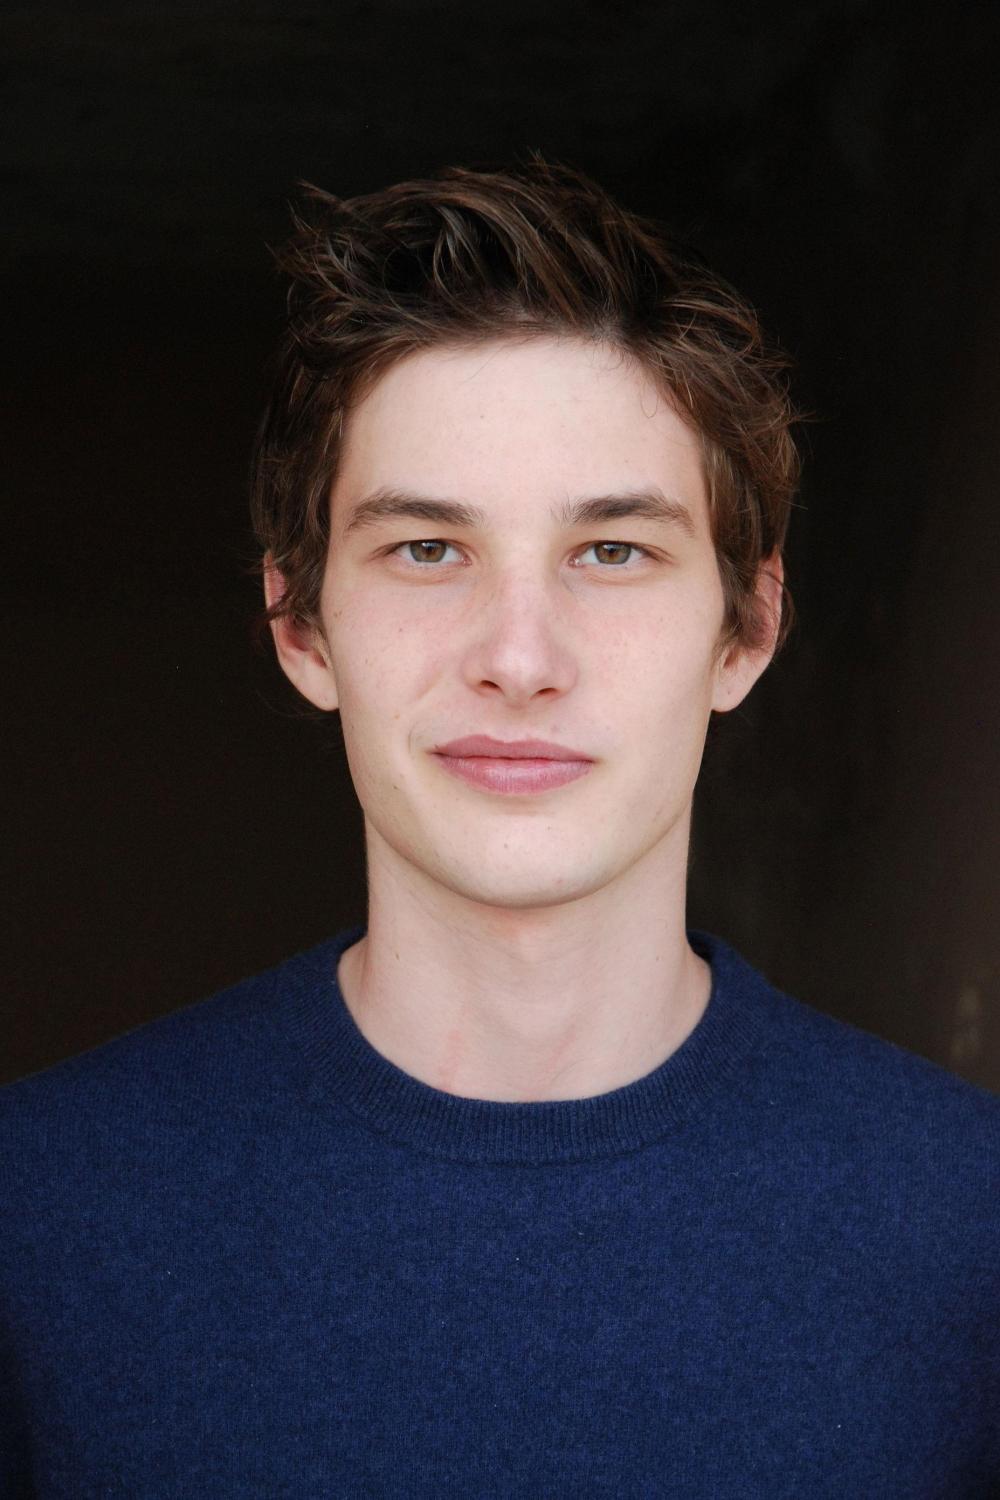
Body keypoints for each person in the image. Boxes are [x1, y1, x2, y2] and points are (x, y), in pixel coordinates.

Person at [1, 157, 997, 1498]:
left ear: (747, 628)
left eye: (613, 551)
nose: (519, 660)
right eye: (427, 549)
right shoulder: (39, 1217)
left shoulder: (970, 1231)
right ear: (300, 625)